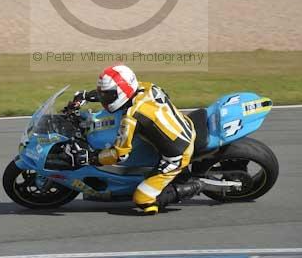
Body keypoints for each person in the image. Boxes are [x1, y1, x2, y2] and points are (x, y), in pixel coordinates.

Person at [63, 64, 202, 215]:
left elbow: (119, 154)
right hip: (183, 125)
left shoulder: (132, 117)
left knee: (143, 200)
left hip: (177, 155)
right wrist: (85, 96)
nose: (104, 98)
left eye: (108, 95)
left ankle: (196, 185)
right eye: (103, 94)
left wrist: (91, 158)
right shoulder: (145, 87)